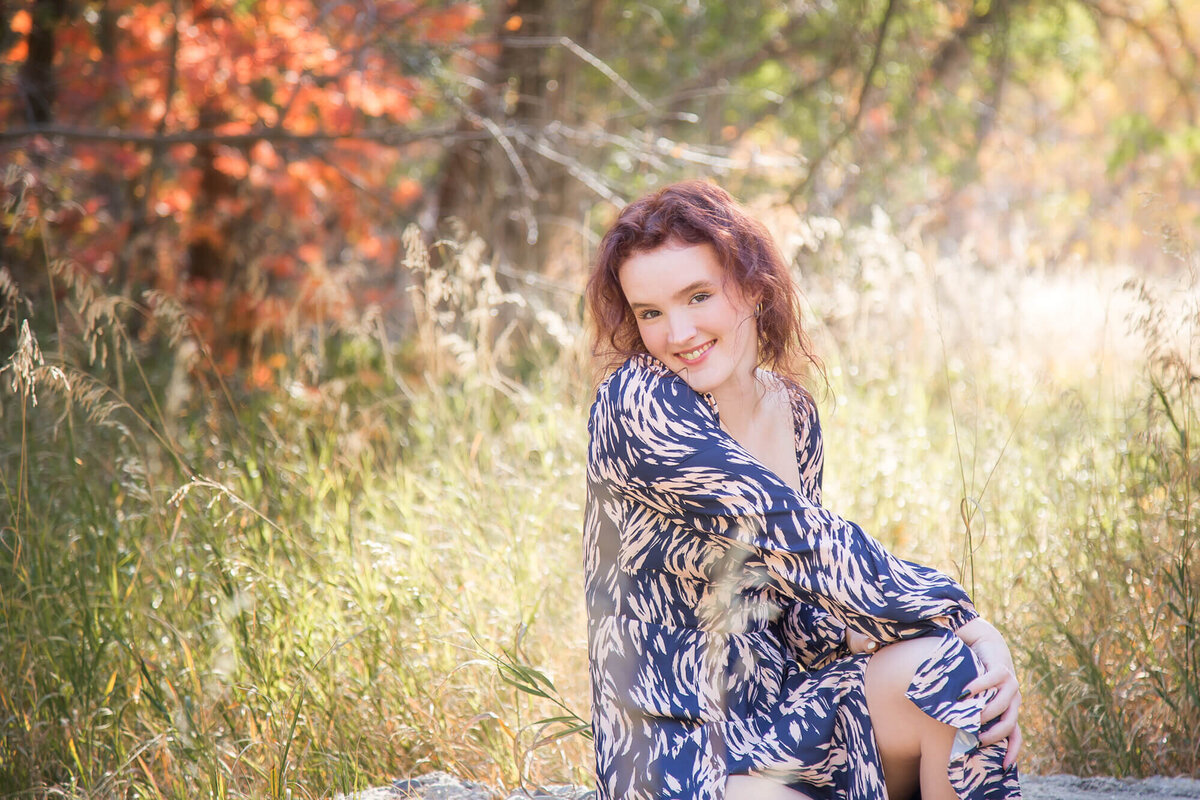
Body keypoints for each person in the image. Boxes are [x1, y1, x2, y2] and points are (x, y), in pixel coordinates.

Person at [582, 180, 1022, 800]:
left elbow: (795, 606)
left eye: (698, 295)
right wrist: (967, 619)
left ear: (753, 285)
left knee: (955, 679)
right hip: (674, 749)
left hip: (784, 719)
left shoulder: (792, 412)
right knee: (960, 645)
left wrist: (898, 636)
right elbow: (800, 541)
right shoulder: (638, 405)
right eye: (650, 312)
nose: (677, 332)